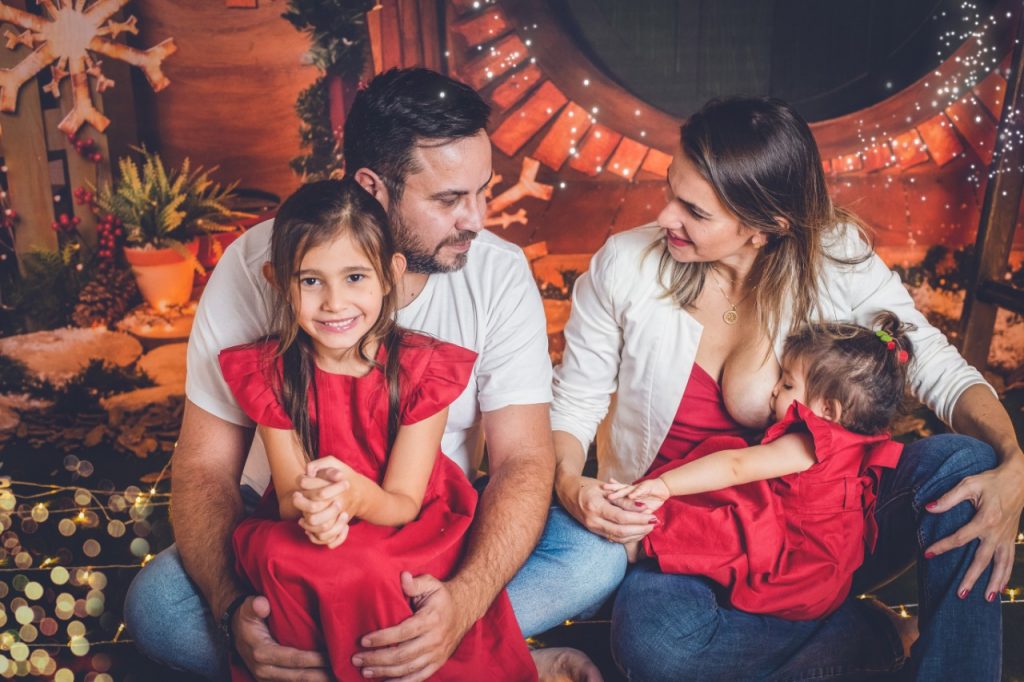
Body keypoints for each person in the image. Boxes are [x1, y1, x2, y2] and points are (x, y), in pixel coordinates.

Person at [125, 68, 607, 682]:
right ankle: (450, 661)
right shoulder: (256, 266)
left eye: (482, 191)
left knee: (592, 558)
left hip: (429, 529)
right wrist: (228, 612)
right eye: (449, 200)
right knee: (158, 608)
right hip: (287, 527)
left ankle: (416, 649)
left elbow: (523, 462)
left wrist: (461, 605)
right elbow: (202, 468)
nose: (477, 220)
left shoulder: (497, 273)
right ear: (372, 187)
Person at [550, 96, 1022, 680]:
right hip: (692, 534)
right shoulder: (625, 265)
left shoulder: (832, 256)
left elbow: (937, 367)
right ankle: (868, 634)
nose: (666, 217)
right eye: (671, 191)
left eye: (694, 211)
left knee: (967, 468)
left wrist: (1014, 462)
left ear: (766, 227)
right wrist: (571, 484)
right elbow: (574, 401)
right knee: (660, 647)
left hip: (826, 528)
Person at [220, 178, 536, 681]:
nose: (333, 303)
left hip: (403, 523)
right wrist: (320, 511)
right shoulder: (270, 374)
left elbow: (403, 502)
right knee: (285, 555)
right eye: (310, 281)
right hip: (312, 522)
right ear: (278, 281)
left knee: (361, 566)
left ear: (390, 275)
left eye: (354, 278)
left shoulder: (423, 370)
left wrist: (355, 499)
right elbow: (285, 500)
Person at [605, 312, 912, 622]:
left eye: (788, 383)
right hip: (827, 578)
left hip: (794, 567)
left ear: (827, 409)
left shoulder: (808, 444)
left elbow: (737, 466)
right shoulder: (856, 444)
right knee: (738, 507)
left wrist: (667, 485)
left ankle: (646, 539)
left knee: (729, 519)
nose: (775, 390)